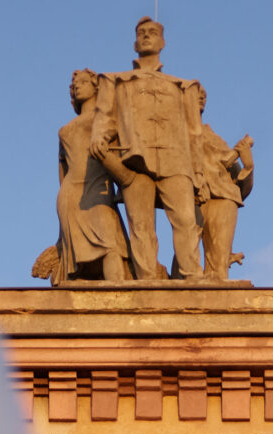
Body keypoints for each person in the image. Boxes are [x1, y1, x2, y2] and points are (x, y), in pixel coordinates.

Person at [108, 18, 203, 283]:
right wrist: (99, 137)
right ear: (135, 43)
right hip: (135, 161)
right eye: (142, 33)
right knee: (141, 225)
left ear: (163, 42)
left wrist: (198, 172)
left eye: (153, 33)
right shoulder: (116, 82)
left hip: (176, 161)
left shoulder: (183, 87)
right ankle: (147, 280)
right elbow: (105, 119)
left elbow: (195, 133)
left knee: (185, 219)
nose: (147, 36)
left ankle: (193, 274)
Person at [34, 69, 130, 287]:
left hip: (99, 192)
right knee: (76, 255)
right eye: (74, 84)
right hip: (71, 195)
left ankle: (119, 299)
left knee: (111, 245)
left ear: (96, 87)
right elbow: (63, 171)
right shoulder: (65, 131)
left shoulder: (108, 122)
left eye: (83, 82)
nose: (77, 86)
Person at [191, 87, 253, 285]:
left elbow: (238, 184)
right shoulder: (176, 134)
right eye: (195, 95)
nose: (201, 97)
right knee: (186, 261)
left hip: (223, 198)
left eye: (203, 96)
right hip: (192, 197)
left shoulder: (213, 137)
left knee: (217, 268)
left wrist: (248, 165)